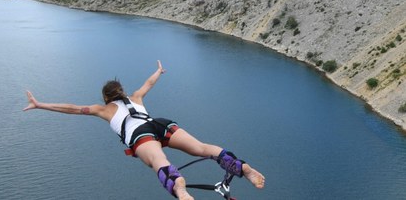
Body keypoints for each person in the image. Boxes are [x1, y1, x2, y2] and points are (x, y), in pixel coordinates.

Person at [23, 60, 265, 199]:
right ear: (122, 91)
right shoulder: (136, 96)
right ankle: (244, 168)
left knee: (159, 160)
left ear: (106, 97)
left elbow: (73, 109)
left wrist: (40, 104)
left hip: (140, 135)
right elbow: (149, 83)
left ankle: (181, 191)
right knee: (202, 148)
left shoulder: (104, 109)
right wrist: (159, 71)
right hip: (159, 123)